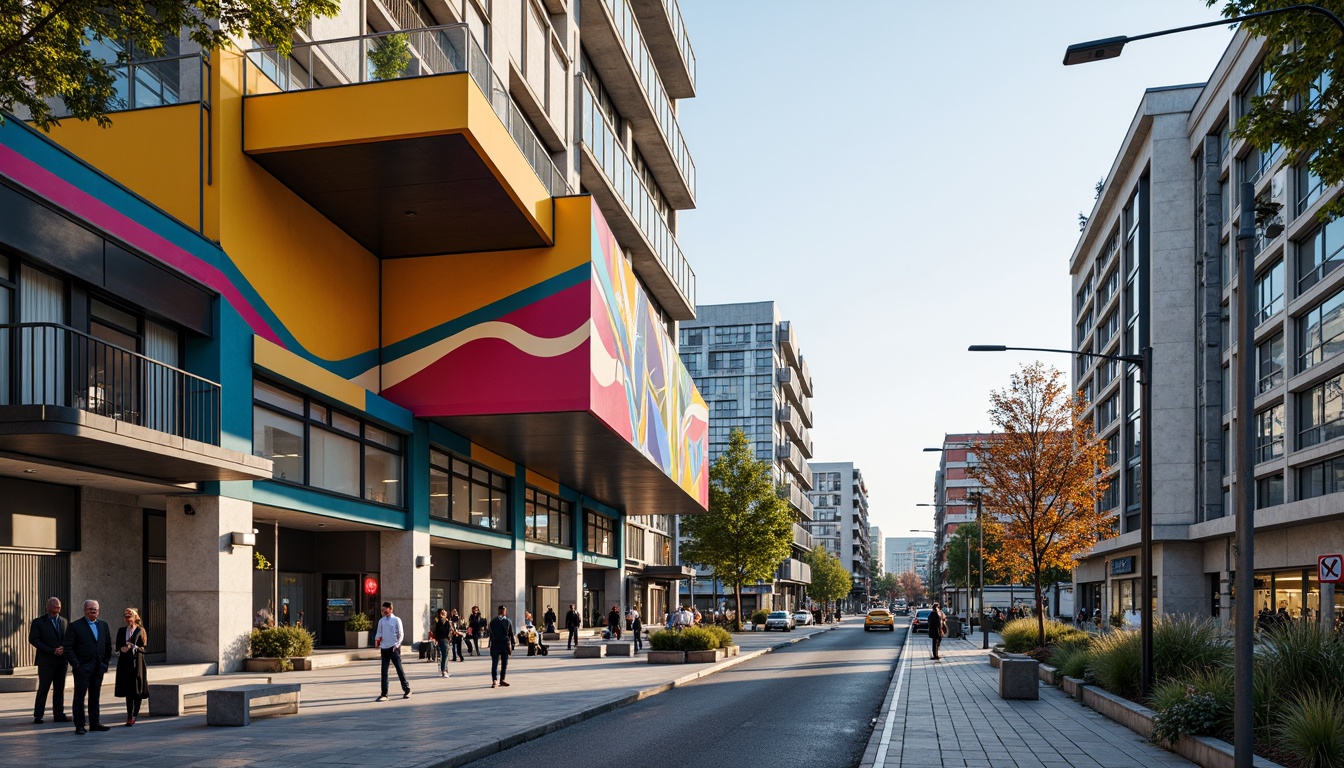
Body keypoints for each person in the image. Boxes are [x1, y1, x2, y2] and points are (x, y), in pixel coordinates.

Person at [63, 599, 113, 734]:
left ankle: (95, 723)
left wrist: (105, 663)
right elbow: (68, 648)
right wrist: (76, 664)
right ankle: (80, 725)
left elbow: (108, 645)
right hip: (83, 668)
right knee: (80, 697)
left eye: (96, 609)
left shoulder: (103, 625)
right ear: (85, 610)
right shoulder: (75, 626)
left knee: (95, 696)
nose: (94, 611)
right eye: (91, 609)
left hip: (98, 667)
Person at [29, 596, 69, 725]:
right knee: (44, 688)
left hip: (61, 661)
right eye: (55, 604)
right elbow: (34, 639)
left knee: (59, 688)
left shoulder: (64, 621)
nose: (58, 607)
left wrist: (63, 648)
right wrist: (52, 650)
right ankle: (38, 715)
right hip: (46, 661)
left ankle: (59, 714)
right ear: (48, 607)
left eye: (59, 605)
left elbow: (67, 637)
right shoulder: (38, 622)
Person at [114, 607, 148, 726]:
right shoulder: (122, 630)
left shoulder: (140, 630)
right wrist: (122, 648)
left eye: (129, 616)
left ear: (135, 617)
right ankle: (129, 716)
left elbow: (144, 648)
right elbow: (118, 646)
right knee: (128, 689)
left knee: (137, 689)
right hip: (125, 663)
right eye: (125, 616)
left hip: (137, 662)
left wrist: (134, 646)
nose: (127, 618)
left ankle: (135, 714)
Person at [373, 601, 411, 701]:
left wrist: (397, 645)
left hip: (394, 648)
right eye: (382, 609)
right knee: (384, 672)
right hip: (384, 649)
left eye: (384, 609)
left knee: (399, 669)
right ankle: (384, 694)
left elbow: (401, 634)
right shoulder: (381, 621)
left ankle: (407, 689)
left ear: (390, 609)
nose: (383, 611)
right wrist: (377, 641)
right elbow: (379, 633)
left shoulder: (396, 620)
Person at [487, 605, 516, 688]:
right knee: (503, 663)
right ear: (503, 611)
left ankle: (495, 680)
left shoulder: (493, 621)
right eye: (504, 611)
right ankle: (500, 680)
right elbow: (511, 633)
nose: (505, 612)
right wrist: (512, 644)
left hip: (495, 644)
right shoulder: (508, 621)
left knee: (495, 663)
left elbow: (491, 633)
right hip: (504, 644)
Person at [431, 608, 452, 678]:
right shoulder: (441, 622)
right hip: (443, 640)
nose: (446, 614)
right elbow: (444, 631)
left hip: (443, 640)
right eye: (444, 613)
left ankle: (445, 669)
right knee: (445, 655)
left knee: (445, 655)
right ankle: (444, 670)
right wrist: (447, 623)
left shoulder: (442, 622)